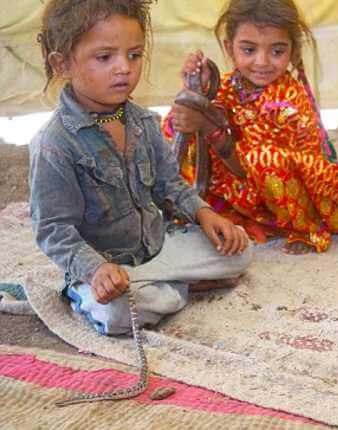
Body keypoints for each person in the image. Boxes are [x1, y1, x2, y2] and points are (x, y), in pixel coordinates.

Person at [30, 0, 252, 336]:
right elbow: (54, 230)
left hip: (157, 247)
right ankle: (94, 290)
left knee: (240, 249)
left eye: (134, 55)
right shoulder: (54, 143)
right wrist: (96, 270)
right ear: (62, 63)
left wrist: (205, 214)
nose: (124, 68)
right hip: (106, 266)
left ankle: (163, 287)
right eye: (105, 57)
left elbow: (169, 184)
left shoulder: (143, 122)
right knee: (119, 315)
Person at [165, 0, 338, 255]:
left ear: (293, 52)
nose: (262, 62)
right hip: (245, 188)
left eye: (277, 51)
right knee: (180, 121)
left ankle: (303, 228)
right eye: (249, 50)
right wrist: (196, 90)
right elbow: (189, 130)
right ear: (229, 48)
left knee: (266, 160)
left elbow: (249, 168)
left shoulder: (287, 100)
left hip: (290, 193)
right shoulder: (229, 85)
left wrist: (209, 127)